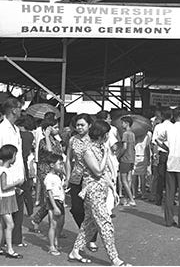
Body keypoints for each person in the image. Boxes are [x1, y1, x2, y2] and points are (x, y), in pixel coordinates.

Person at [67, 120, 129, 266]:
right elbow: (98, 171)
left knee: (89, 224)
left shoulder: (99, 147)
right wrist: (106, 153)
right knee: (105, 224)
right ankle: (114, 258)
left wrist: (112, 188)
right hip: (92, 190)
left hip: (100, 189)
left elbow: (105, 172)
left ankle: (75, 250)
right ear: (103, 134)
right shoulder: (88, 150)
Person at [0, 98, 27, 247]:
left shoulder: (14, 128)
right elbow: (7, 155)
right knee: (6, 209)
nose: (21, 111)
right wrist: (12, 179)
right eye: (19, 108)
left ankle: (14, 238)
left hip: (17, 172)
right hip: (7, 174)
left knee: (15, 208)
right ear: (13, 110)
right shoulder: (2, 129)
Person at [64, 114, 99, 253]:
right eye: (77, 125)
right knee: (76, 209)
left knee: (91, 210)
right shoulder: (73, 140)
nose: (79, 127)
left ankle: (92, 239)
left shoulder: (94, 140)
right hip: (76, 178)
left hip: (91, 179)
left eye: (82, 125)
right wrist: (67, 177)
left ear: (89, 125)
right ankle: (86, 234)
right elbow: (68, 159)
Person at [0, 144, 25, 259]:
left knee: (2, 224)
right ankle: (9, 249)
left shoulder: (3, 169)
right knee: (10, 224)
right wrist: (17, 183)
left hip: (6, 198)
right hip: (3, 199)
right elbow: (4, 187)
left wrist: (15, 189)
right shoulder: (3, 170)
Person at [30, 115, 66, 232]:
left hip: (57, 173)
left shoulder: (57, 141)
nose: (57, 129)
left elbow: (60, 158)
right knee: (50, 199)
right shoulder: (43, 141)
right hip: (45, 172)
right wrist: (46, 135)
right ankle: (40, 221)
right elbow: (50, 152)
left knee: (56, 198)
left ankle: (53, 226)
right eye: (54, 127)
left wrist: (64, 172)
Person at [42, 152, 66, 256]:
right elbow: (49, 193)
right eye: (59, 164)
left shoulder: (57, 176)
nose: (61, 166)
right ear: (52, 165)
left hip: (60, 201)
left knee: (61, 223)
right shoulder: (49, 178)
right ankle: (51, 246)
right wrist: (55, 207)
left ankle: (56, 240)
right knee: (53, 224)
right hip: (54, 202)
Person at [150, 109, 171, 205]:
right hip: (171, 154)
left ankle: (158, 198)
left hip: (161, 153)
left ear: (162, 116)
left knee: (160, 177)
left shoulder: (158, 127)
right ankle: (170, 198)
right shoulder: (173, 127)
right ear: (171, 116)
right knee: (170, 177)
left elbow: (154, 142)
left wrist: (155, 154)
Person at [117, 116, 137, 206]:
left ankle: (131, 199)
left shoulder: (125, 134)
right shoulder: (132, 134)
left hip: (125, 158)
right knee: (128, 179)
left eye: (122, 123)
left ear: (127, 123)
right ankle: (128, 198)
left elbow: (124, 147)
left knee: (123, 180)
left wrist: (118, 155)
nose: (121, 125)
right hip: (131, 158)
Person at [131, 129, 151, 200]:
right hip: (143, 156)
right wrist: (149, 158)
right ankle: (143, 193)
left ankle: (134, 193)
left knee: (134, 176)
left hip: (135, 155)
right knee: (142, 177)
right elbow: (147, 147)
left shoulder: (134, 135)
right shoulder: (147, 136)